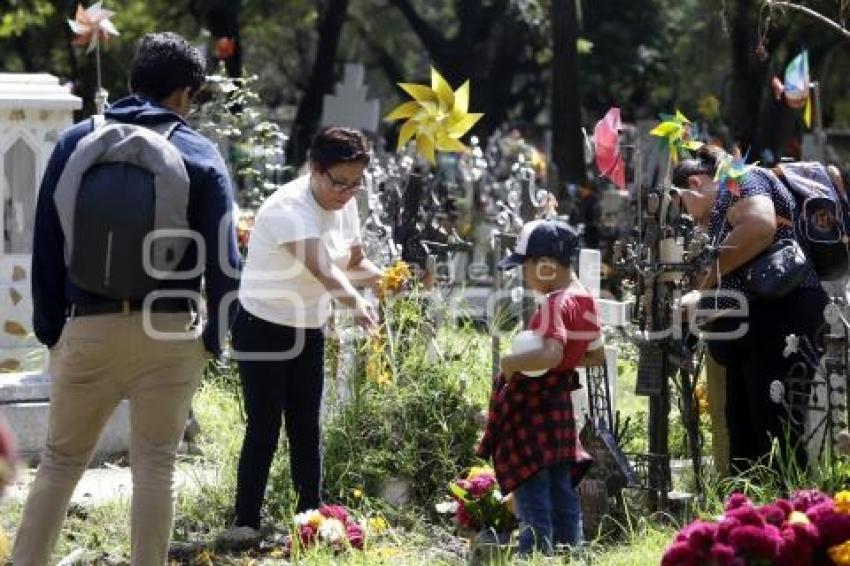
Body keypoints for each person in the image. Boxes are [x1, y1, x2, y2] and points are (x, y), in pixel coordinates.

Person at [13, 32, 240, 564]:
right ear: (186, 93)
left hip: (86, 326)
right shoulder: (199, 153)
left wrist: (53, 330)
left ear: (134, 80)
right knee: (156, 465)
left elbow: (45, 243)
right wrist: (213, 340)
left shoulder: (75, 144)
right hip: (169, 331)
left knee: (60, 462)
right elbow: (228, 263)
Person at [222, 127, 381, 544]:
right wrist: (357, 304)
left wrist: (388, 279)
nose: (346, 192)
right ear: (315, 169)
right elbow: (324, 269)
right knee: (265, 426)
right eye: (338, 182)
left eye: (355, 183)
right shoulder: (289, 208)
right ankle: (245, 522)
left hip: (308, 325)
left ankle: (311, 521)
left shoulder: (345, 203)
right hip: (263, 326)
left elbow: (353, 264)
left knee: (306, 426)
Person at [674, 147, 826, 472]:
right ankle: (750, 517)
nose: (689, 217)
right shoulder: (720, 209)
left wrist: (706, 277)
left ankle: (790, 513)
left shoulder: (741, 178)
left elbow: (760, 225)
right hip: (756, 321)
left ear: (694, 183)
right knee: (742, 429)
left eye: (682, 205)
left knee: (773, 426)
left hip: (781, 310)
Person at [477, 219, 598, 555]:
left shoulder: (554, 304)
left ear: (545, 266)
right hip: (558, 409)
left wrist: (513, 363)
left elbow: (551, 351)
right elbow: (595, 355)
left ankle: (533, 554)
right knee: (561, 489)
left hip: (533, 412)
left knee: (532, 491)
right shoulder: (584, 300)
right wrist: (562, 364)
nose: (523, 275)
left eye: (525, 266)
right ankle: (570, 551)